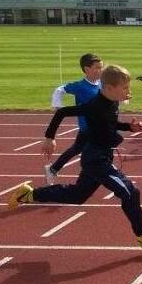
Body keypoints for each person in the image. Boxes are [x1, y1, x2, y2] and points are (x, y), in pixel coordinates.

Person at [8, 65, 142, 251]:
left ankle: (27, 194)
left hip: (101, 156)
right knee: (130, 192)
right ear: (109, 88)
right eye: (124, 88)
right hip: (96, 159)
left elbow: (109, 123)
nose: (128, 92)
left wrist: (128, 127)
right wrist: (49, 138)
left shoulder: (112, 102)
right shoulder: (94, 106)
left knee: (77, 195)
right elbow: (62, 112)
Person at [44, 53, 103, 185]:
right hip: (87, 128)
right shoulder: (80, 86)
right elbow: (60, 89)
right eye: (97, 68)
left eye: (101, 67)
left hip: (100, 126)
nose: (101, 70)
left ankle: (53, 169)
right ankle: (92, 179)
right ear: (87, 69)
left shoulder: (102, 83)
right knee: (94, 152)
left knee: (78, 150)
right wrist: (57, 105)